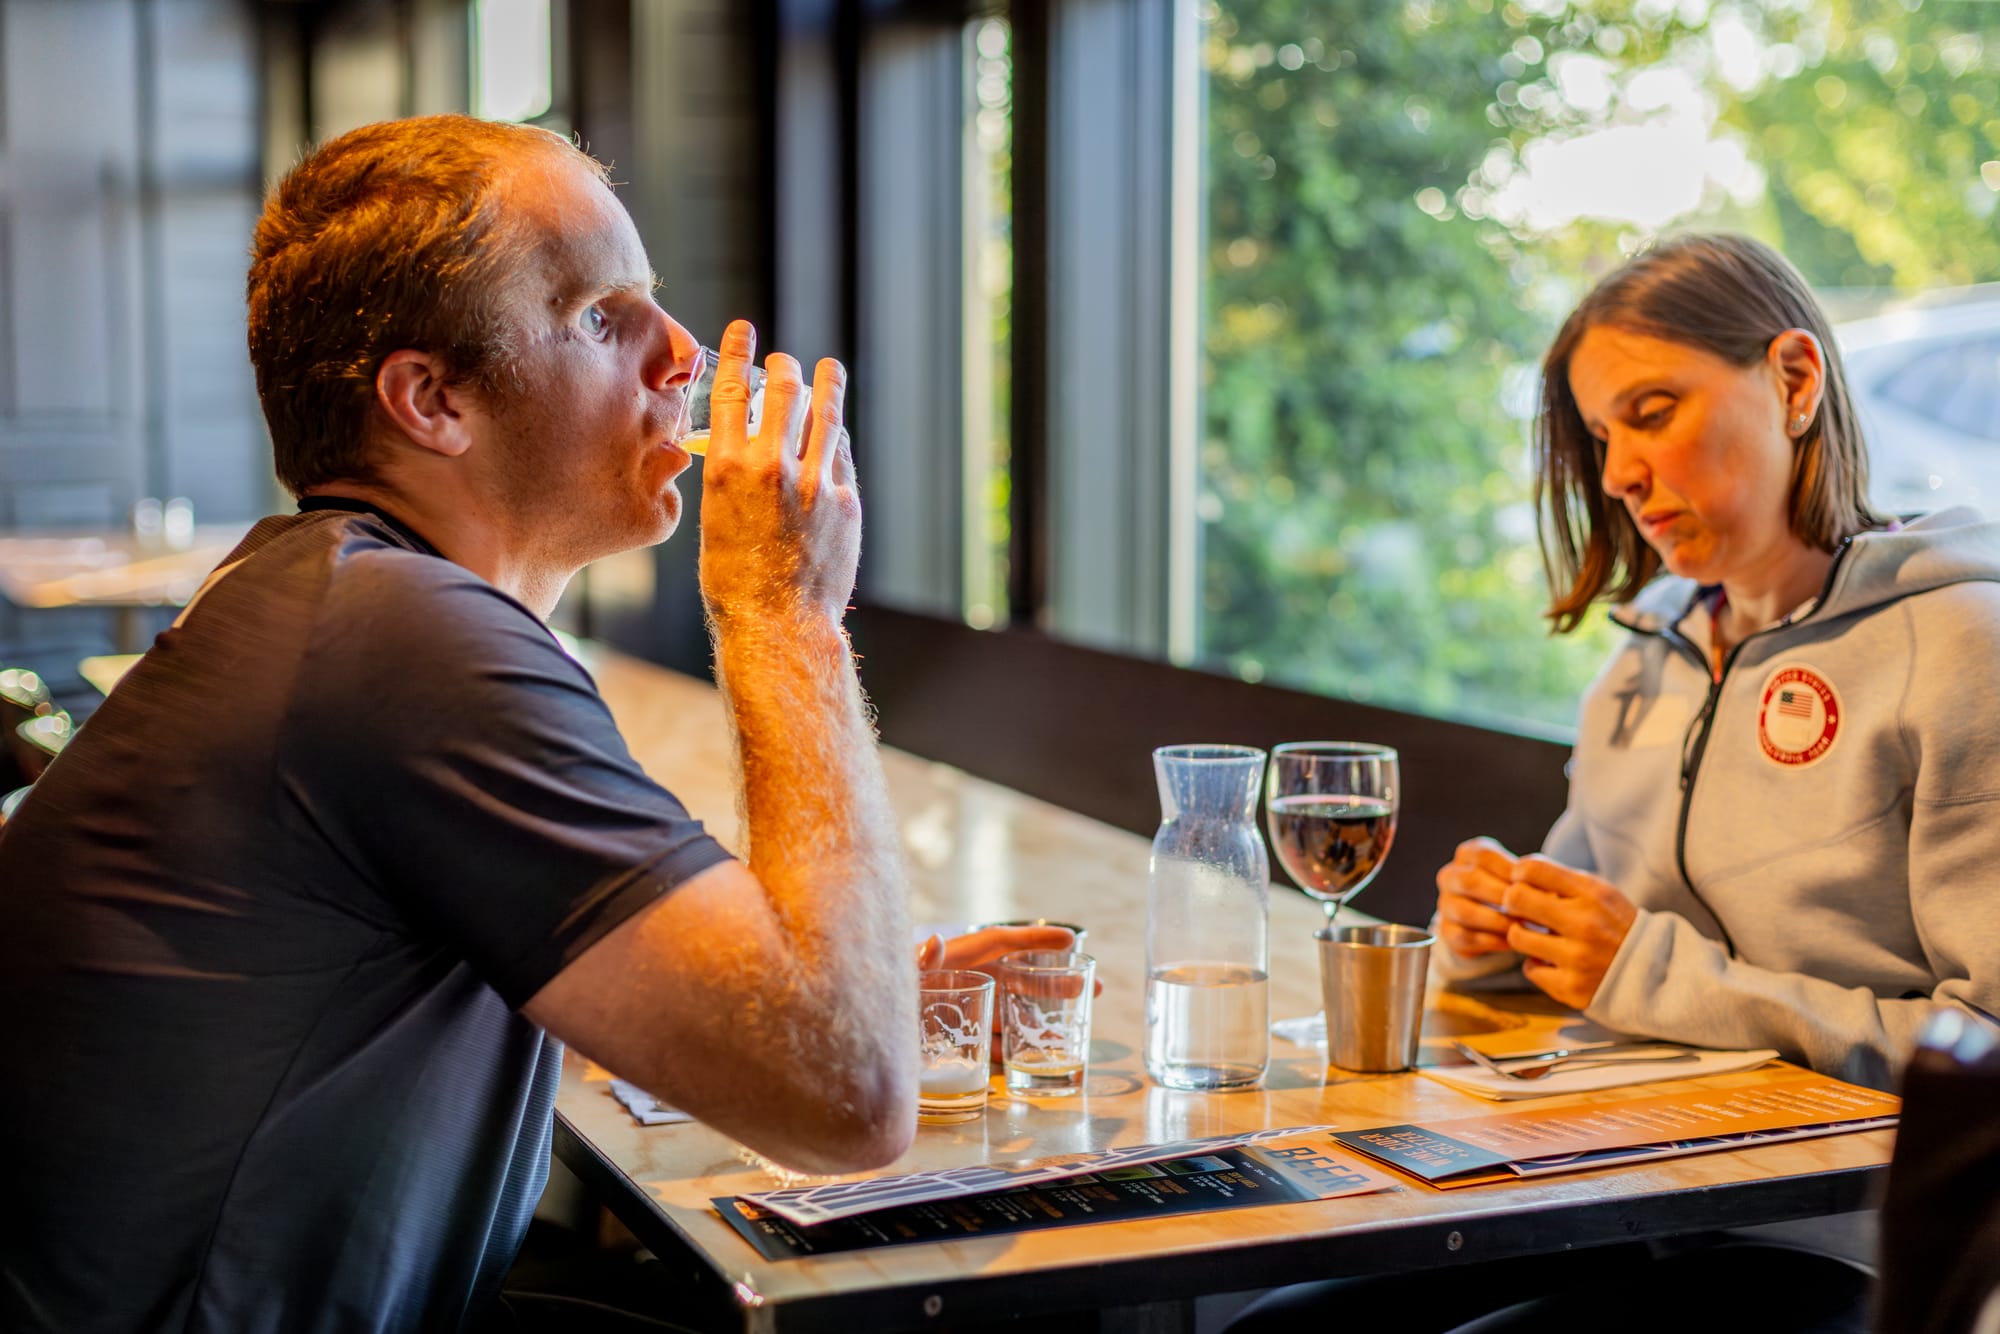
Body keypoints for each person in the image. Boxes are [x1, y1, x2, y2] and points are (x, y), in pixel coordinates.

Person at [0, 114, 1049, 1333]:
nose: (681, 355)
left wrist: (829, 981)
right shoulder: (397, 637)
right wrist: (784, 611)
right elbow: (848, 1100)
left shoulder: (318, 586)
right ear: (431, 399)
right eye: (601, 316)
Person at [1234, 234, 2000, 1333]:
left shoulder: (1960, 646)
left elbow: (1979, 1054)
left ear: (1792, 380)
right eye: (1600, 435)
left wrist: (1646, 967)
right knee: (1278, 1326)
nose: (1616, 474)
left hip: (1837, 1243)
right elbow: (1581, 955)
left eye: (1650, 412)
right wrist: (1496, 936)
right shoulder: (1641, 661)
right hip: (1623, 1201)